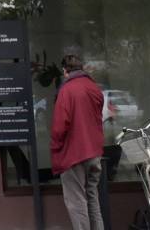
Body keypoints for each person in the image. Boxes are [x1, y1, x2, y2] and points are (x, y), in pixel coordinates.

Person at [50, 53, 106, 230]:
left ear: (65, 71)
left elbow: (59, 127)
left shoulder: (66, 90)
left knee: (76, 201)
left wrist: (55, 148)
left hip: (74, 155)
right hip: (94, 152)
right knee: (92, 197)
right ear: (81, 68)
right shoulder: (94, 88)